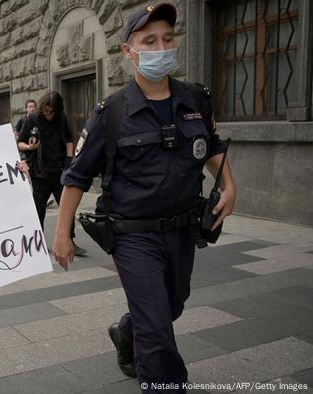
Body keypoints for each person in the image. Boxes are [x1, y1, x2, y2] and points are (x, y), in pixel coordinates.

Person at [52, 3, 236, 392]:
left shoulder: (196, 99)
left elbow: (213, 144)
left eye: (167, 39)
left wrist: (229, 185)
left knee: (171, 305)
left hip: (183, 230)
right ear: (128, 50)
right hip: (132, 234)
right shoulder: (111, 114)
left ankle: (125, 333)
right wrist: (62, 232)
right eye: (148, 40)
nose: (160, 47)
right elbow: (77, 176)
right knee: (157, 326)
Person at [18, 91, 86, 257]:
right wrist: (30, 147)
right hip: (39, 173)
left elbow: (70, 139)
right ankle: (37, 243)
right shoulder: (32, 119)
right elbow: (19, 143)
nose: (48, 115)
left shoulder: (61, 119)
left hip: (59, 171)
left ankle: (70, 240)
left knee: (66, 208)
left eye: (51, 112)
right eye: (46, 111)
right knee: (38, 209)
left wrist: (70, 160)